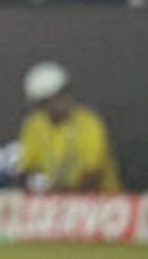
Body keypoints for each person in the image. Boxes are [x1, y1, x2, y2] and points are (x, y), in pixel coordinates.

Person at [17, 62, 122, 192]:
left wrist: (63, 197)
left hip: (99, 201)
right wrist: (38, 186)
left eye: (64, 93)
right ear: (41, 104)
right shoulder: (34, 125)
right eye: (54, 98)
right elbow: (25, 171)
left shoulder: (88, 122)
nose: (63, 100)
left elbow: (94, 173)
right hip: (52, 202)